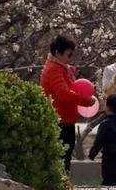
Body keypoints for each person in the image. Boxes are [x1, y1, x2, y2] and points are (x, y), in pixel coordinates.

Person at [40, 34, 97, 172]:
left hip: (66, 121)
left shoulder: (60, 68)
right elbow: (63, 93)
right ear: (58, 53)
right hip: (60, 123)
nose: (70, 58)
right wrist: (86, 101)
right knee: (61, 163)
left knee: (64, 162)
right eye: (68, 54)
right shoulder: (54, 69)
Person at [88, 94, 116, 186]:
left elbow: (99, 142)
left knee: (109, 181)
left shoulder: (105, 124)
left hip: (110, 158)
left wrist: (92, 154)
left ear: (107, 107)